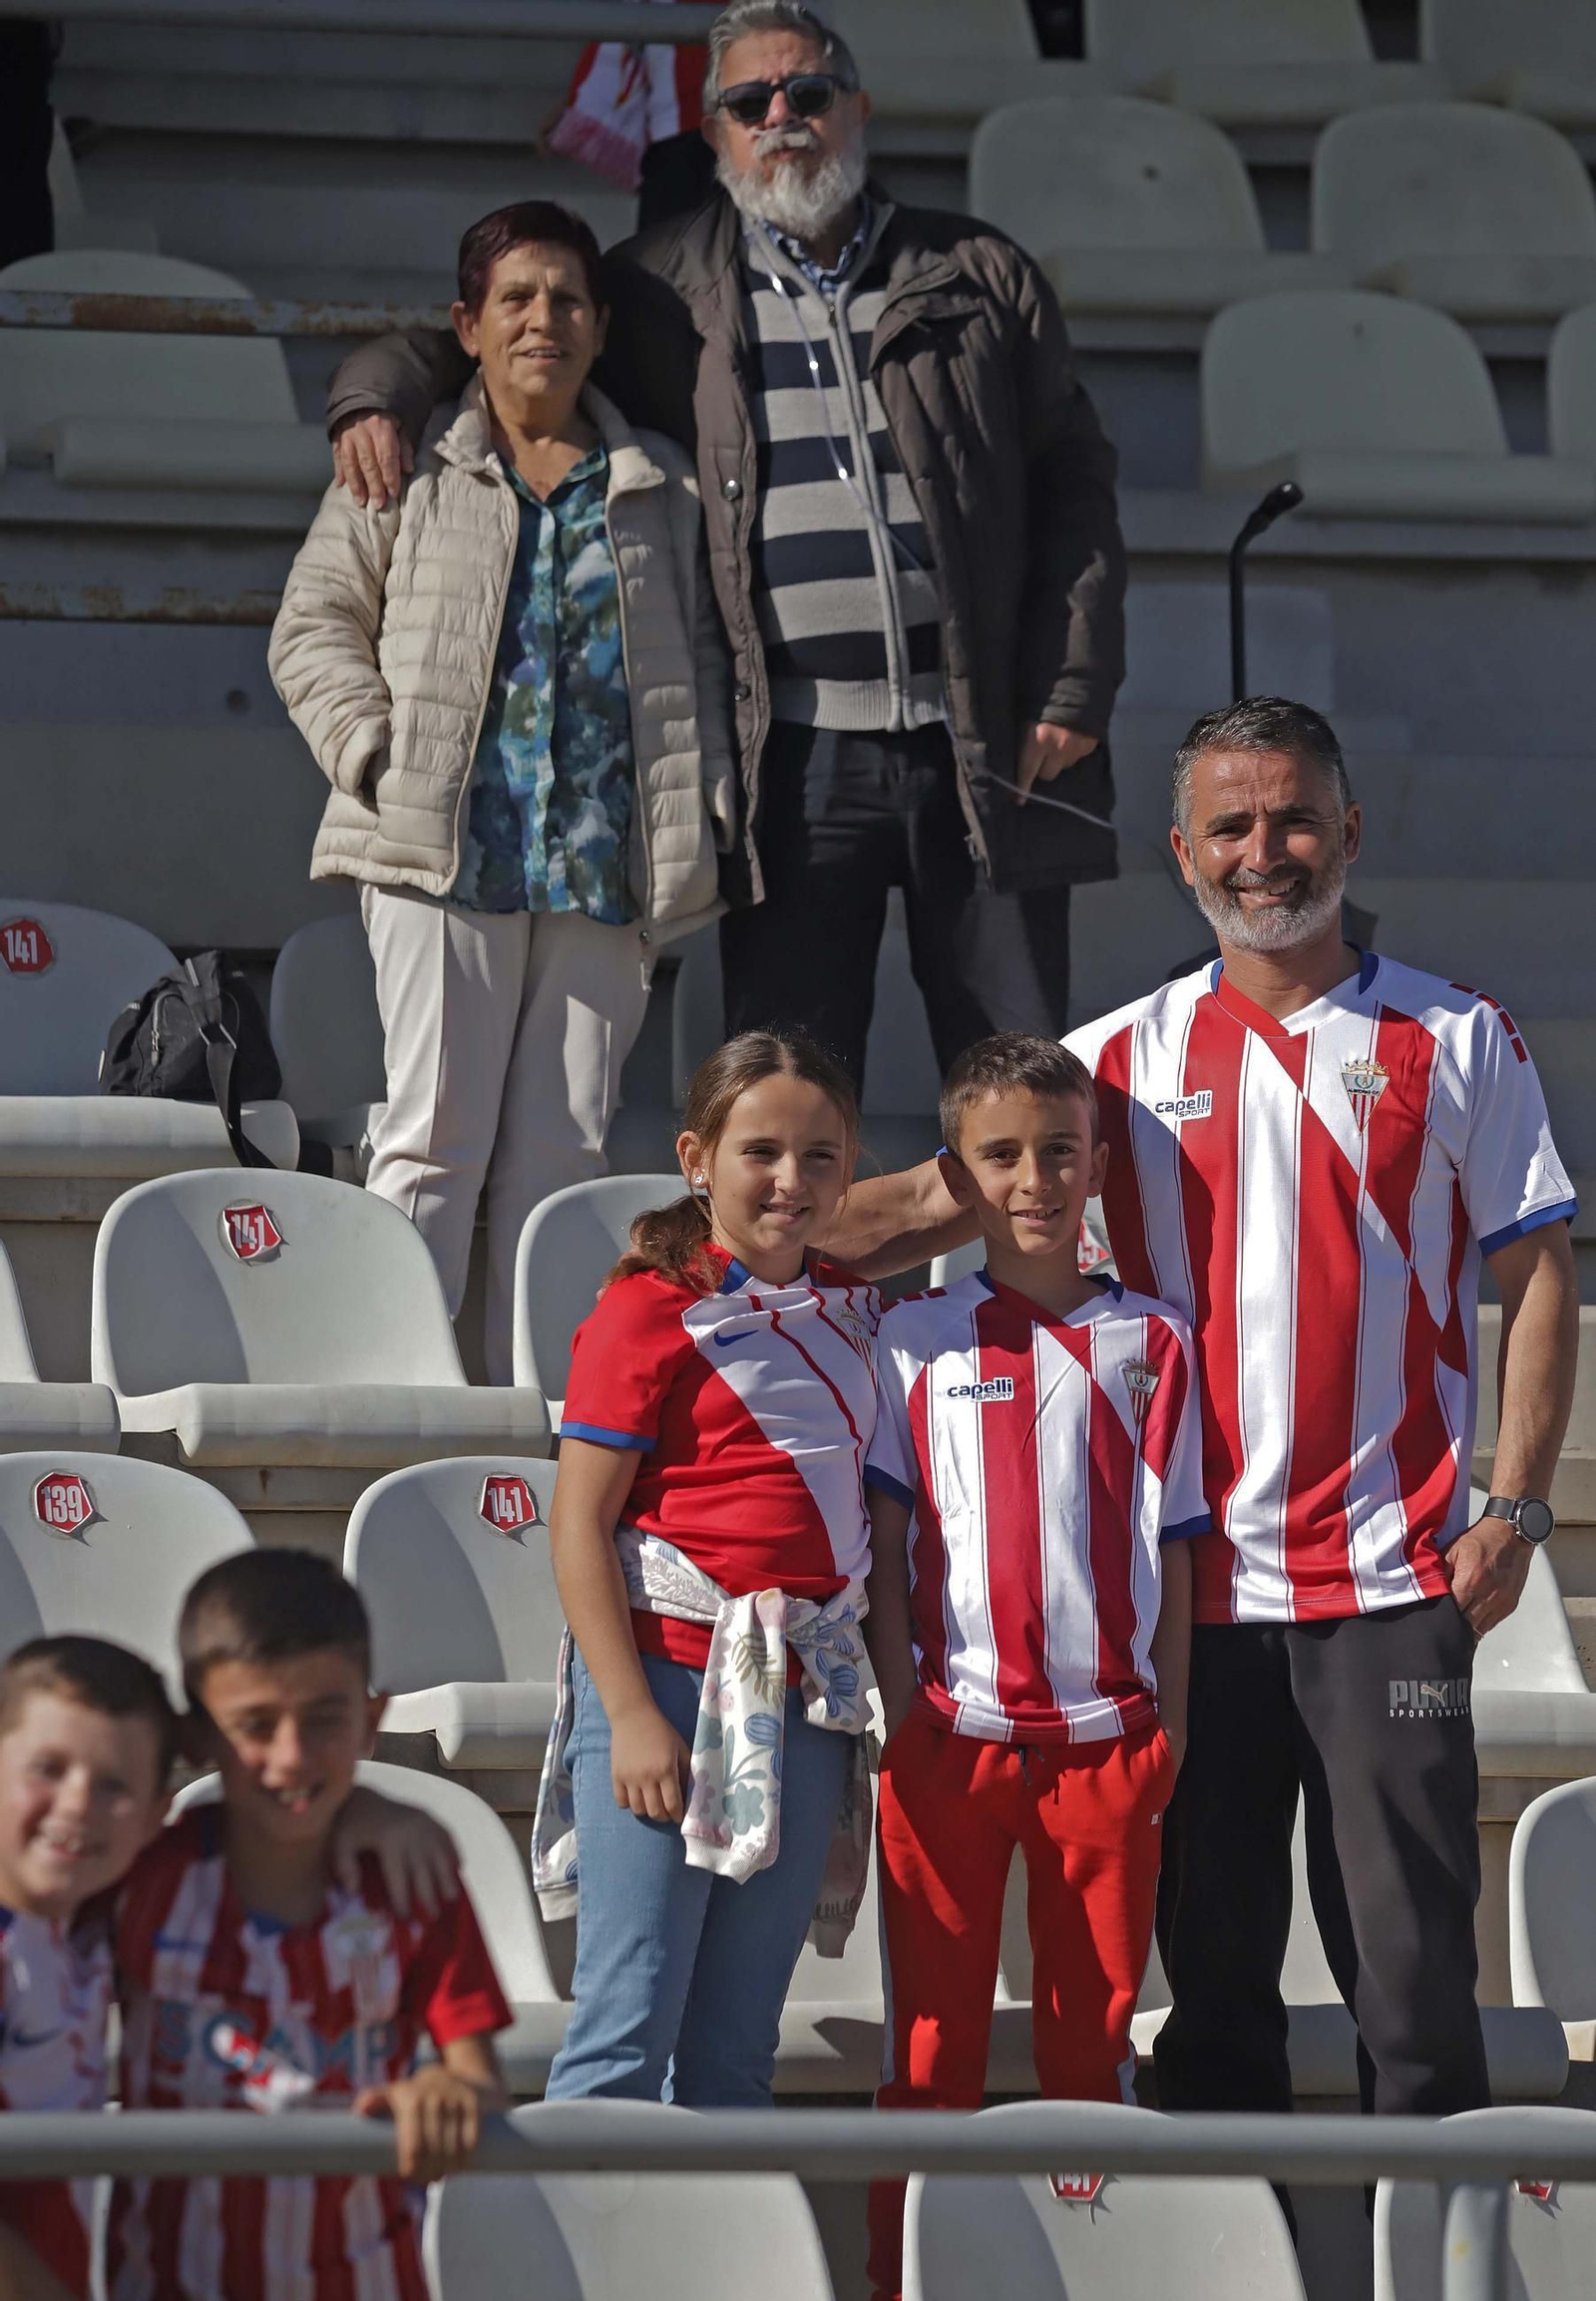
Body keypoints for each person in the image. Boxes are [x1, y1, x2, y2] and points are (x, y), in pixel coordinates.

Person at [823, 696, 1581, 2136]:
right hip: (1182, 1605)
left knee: (1415, 1998)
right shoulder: (1106, 1062)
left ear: (1348, 830)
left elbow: (1537, 1269)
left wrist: (1519, 1505)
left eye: (1293, 816)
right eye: (1230, 824)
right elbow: (920, 1205)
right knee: (1215, 1999)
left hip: (1392, 1583)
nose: (1264, 849)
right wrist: (725, 1245)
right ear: (1181, 850)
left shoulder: (1459, 1035)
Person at [322, 0, 1126, 1096]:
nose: (783, 118)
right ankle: (805, 1283)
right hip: (788, 758)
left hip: (981, 740)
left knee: (1018, 1081)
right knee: (791, 1092)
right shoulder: (657, 289)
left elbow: (1075, 479)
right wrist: (374, 398)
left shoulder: (977, 270)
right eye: (751, 102)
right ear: (715, 134)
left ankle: (1014, 1276)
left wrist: (1073, 683)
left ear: (859, 109)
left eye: (809, 95)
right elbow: (503, 337)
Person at [269, 198, 735, 1381]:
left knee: (561, 1156)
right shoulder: (407, 461)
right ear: (465, 327)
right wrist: (379, 760)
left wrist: (705, 806)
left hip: (602, 865)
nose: (544, 320)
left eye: (567, 299)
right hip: (445, 855)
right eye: (515, 299)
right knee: (432, 1141)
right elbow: (313, 627)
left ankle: (539, 1425)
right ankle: (396, 1402)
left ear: (598, 325)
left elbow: (712, 665)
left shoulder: (659, 486)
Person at [863, 1033, 1200, 2301]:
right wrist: (904, 1718)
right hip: (946, 1742)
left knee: (1090, 2054)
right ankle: (905, 2282)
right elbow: (892, 1543)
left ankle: (1095, 2279)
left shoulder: (1155, 1345)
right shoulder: (914, 1336)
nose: (1035, 1180)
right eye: (1001, 1155)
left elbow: (1177, 1551)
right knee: (931, 2056)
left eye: (1060, 1152)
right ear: (958, 1171)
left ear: (1099, 1164)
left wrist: (1169, 1728)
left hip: (1110, 1749)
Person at [531, 1029, 879, 2105]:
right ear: (696, 1159)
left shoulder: (855, 1305)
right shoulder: (643, 1307)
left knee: (735, 2049)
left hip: (806, 1693)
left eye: (820, 1156)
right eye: (760, 1152)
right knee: (625, 2030)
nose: (790, 1180)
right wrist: (631, 1715)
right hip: (667, 1679)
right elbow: (577, 1525)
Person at [107, 1550, 511, 2301]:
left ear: (372, 1721)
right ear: (197, 1736)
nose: (291, 1757)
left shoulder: (414, 1885)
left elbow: (480, 2081)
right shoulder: (139, 1882)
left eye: (325, 1719)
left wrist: (445, 2094)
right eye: (255, 1725)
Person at [0, 1638, 177, 2301]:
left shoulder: (90, 1914)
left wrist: (382, 1813)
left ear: (158, 1814)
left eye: (113, 1784)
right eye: (48, 1767)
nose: (78, 1802)